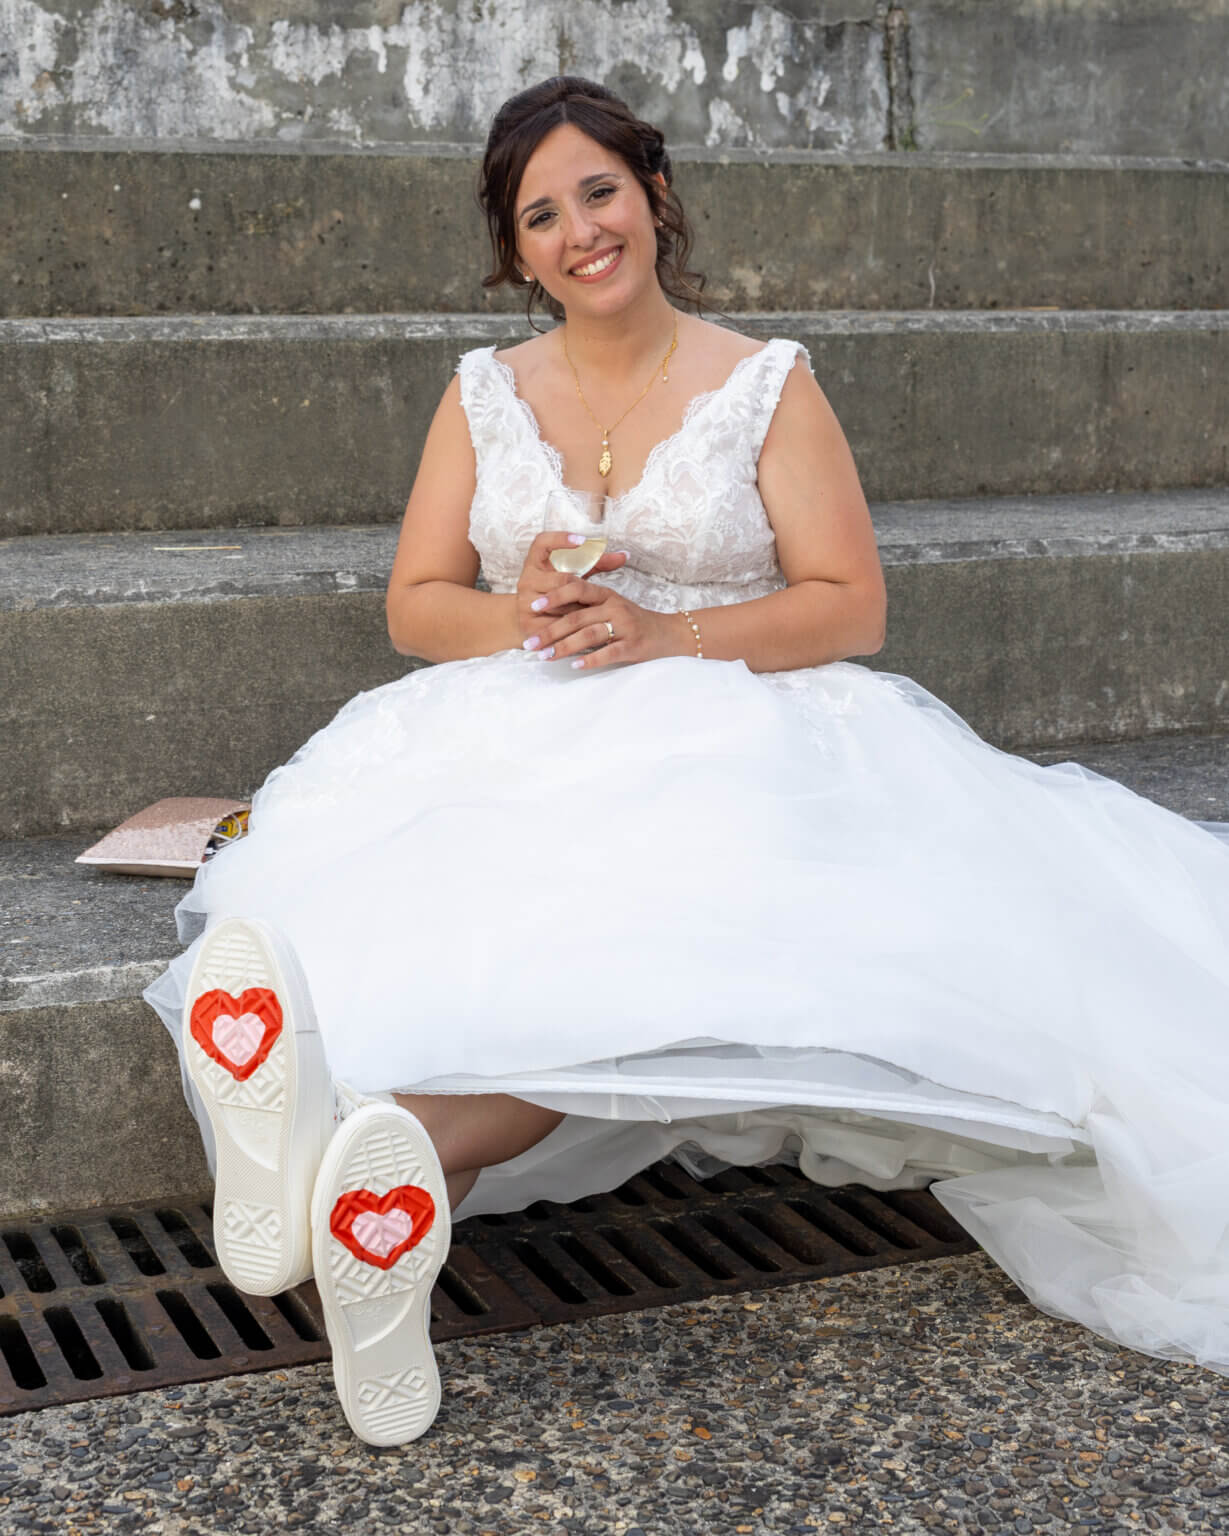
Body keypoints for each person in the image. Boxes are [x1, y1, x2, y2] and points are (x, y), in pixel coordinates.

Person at [145, 76, 1229, 1447]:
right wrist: (519, 605)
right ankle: (379, 1207)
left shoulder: (760, 379)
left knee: (626, 935)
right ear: (515, 249)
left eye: (597, 190)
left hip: (727, 717)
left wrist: (667, 632)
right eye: (539, 215)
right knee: (441, 926)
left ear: (652, 194)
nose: (577, 229)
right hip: (514, 717)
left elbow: (847, 602)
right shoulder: (483, 392)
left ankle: (366, 1150)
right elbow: (419, 603)